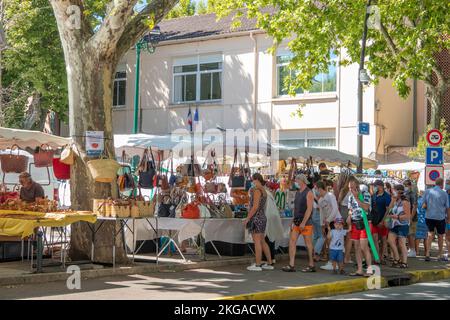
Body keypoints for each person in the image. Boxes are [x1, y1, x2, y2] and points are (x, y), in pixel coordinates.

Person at [282, 174, 315, 272]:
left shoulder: (309, 193)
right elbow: (295, 208)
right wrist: (292, 220)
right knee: (292, 241)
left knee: (308, 243)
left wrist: (303, 222)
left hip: (306, 222)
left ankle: (311, 265)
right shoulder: (298, 192)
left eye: (297, 180)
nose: (295, 182)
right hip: (297, 221)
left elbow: (309, 209)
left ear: (302, 181)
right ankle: (291, 264)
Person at [244, 173, 274, 271]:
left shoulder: (256, 190)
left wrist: (248, 218)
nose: (252, 182)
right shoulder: (264, 191)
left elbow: (255, 207)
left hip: (256, 218)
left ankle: (257, 264)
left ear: (256, 179)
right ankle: (269, 263)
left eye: (252, 180)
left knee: (257, 242)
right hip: (262, 217)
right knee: (262, 241)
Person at [347, 176, 373, 277]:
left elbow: (366, 207)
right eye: (349, 187)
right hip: (355, 222)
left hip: (364, 222)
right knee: (357, 247)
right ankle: (360, 269)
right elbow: (350, 209)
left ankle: (370, 269)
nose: (350, 189)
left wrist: (357, 197)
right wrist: (349, 216)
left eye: (352, 187)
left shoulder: (365, 194)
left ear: (357, 186)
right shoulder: (350, 197)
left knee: (364, 247)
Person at [422, 178, 450, 261]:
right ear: (442, 184)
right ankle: (439, 254)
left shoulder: (427, 191)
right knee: (440, 236)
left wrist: (428, 207)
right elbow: (448, 207)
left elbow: (423, 204)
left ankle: (427, 254)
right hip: (440, 217)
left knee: (430, 234)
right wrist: (448, 218)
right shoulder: (444, 194)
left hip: (429, 216)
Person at [386, 184, 411, 268]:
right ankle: (397, 257)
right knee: (390, 240)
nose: (392, 192)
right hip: (394, 224)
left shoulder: (405, 202)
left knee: (401, 243)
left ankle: (404, 262)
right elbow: (389, 209)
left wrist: (397, 217)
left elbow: (408, 216)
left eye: (394, 191)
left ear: (399, 192)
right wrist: (392, 200)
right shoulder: (395, 200)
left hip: (402, 224)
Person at [371, 180, 391, 264]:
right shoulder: (374, 195)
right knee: (375, 239)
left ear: (380, 186)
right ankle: (377, 257)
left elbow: (388, 210)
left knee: (383, 240)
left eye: (376, 186)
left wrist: (383, 221)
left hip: (383, 220)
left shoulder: (386, 196)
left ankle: (382, 257)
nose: (375, 188)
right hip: (374, 220)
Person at [404, 180, 418, 258]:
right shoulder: (407, 193)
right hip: (409, 216)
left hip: (412, 217)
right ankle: (411, 249)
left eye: (406, 185)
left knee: (410, 234)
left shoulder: (412, 194)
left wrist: (411, 218)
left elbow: (414, 206)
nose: (405, 187)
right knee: (408, 234)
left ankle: (413, 250)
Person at [415, 191, 429, 256]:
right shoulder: (427, 201)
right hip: (426, 220)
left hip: (418, 219)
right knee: (425, 237)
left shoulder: (417, 201)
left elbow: (415, 210)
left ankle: (417, 251)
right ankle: (426, 252)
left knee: (417, 237)